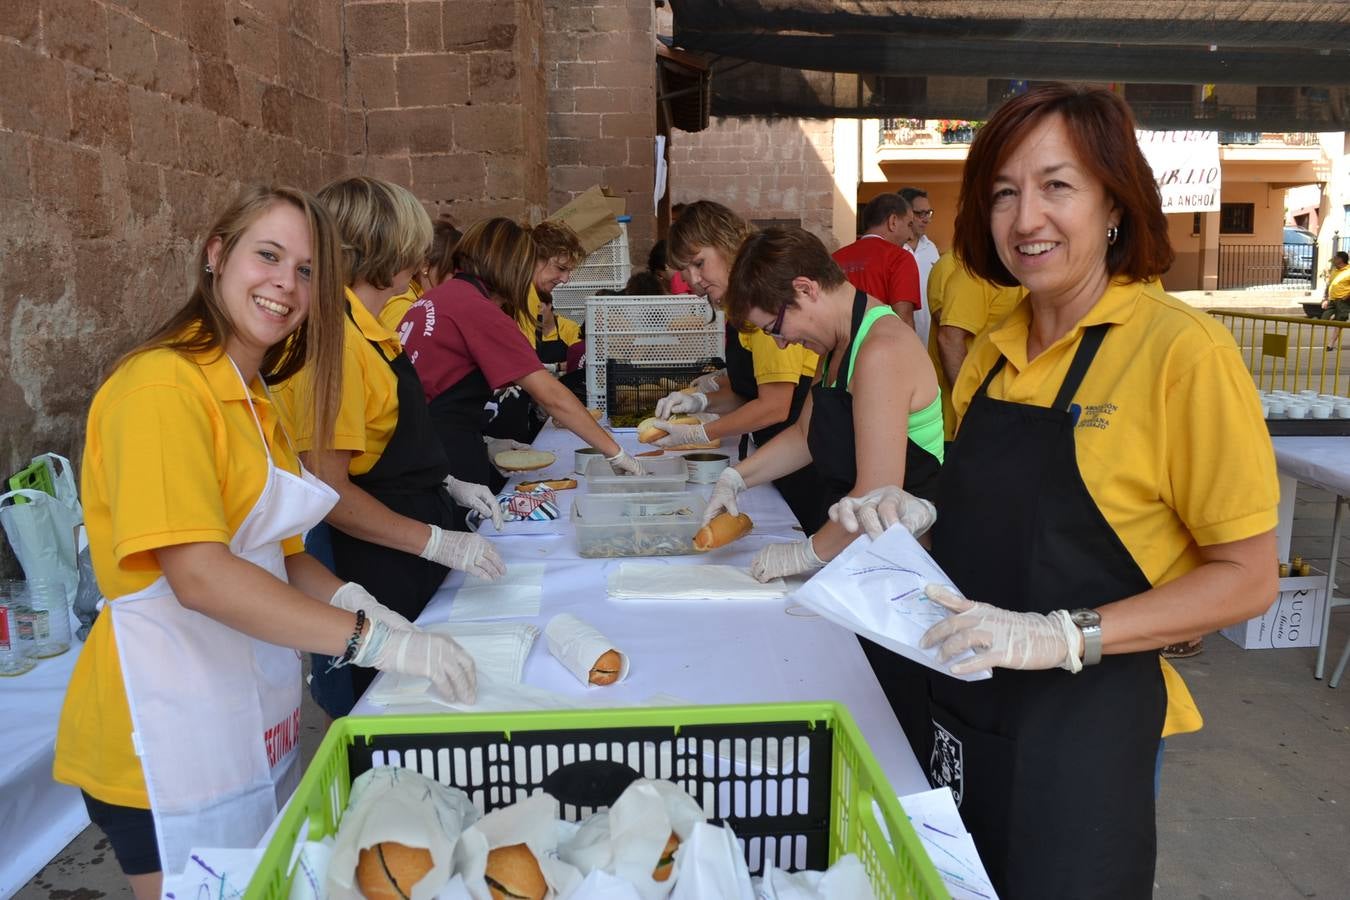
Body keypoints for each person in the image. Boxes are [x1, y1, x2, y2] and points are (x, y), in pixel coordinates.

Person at [830, 84, 1279, 898]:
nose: (1025, 217)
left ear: (1115, 202)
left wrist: (1063, 636)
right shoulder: (992, 355)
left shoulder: (1183, 352)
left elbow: (1249, 576)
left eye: (1057, 185)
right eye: (1004, 192)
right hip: (969, 707)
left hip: (1090, 730)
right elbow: (993, 529)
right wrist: (916, 522)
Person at [53, 186, 476, 898]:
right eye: (269, 256)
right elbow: (202, 577)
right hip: (158, 736)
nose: (286, 283)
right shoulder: (160, 388)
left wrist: (358, 600)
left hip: (242, 717)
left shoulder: (253, 396)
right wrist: (372, 640)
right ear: (217, 255)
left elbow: (281, 557)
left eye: (307, 270)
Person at [701, 224, 943, 752]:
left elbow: (877, 494)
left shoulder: (879, 348)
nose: (782, 342)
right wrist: (736, 477)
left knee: (890, 730)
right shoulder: (838, 346)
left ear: (807, 289)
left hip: (904, 575)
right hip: (860, 563)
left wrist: (804, 553)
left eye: (777, 327)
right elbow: (806, 436)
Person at [276, 176, 503, 718]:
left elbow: (382, 438)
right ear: (389, 248)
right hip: (379, 561)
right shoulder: (334, 341)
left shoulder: (368, 328)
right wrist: (436, 543)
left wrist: (445, 482)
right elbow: (328, 487)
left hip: (409, 536)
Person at [399, 216, 640, 494]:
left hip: (426, 445)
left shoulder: (441, 297)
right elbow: (550, 395)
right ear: (512, 266)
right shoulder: (476, 309)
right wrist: (616, 453)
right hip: (441, 458)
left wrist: (486, 442)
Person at [651, 201, 827, 531]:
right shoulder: (740, 307)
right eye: (685, 271)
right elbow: (750, 387)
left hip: (803, 462)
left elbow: (775, 405)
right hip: (778, 457)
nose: (693, 280)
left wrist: (699, 432)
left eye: (699, 263)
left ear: (725, 243)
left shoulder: (764, 303)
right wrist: (700, 401)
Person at [930, 254, 1026, 439]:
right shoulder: (972, 274)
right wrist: (973, 406)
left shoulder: (1021, 273)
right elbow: (949, 340)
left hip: (1008, 410)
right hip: (969, 418)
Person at [831, 193, 922, 329]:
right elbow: (903, 321)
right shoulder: (900, 258)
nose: (910, 235)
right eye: (909, 225)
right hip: (880, 346)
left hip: (837, 347)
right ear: (893, 221)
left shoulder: (834, 259)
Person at [379, 218, 461, 331]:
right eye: (452, 271)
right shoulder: (405, 308)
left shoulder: (421, 302)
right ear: (425, 266)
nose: (460, 279)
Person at [901, 186, 941, 345]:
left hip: (929, 339)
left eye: (929, 213)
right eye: (920, 214)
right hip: (901, 339)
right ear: (905, 214)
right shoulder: (893, 249)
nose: (927, 219)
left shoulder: (931, 248)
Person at [1322, 250, 1350, 350]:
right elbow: (1329, 285)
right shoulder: (1335, 271)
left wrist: (1347, 296)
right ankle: (1337, 318)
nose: (1333, 260)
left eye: (1335, 258)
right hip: (1332, 299)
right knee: (1323, 319)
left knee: (1339, 321)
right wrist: (1325, 299)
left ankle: (1331, 344)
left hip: (1343, 300)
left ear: (1340, 260)